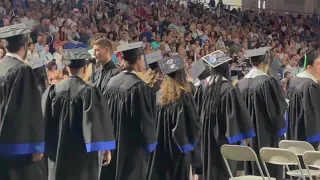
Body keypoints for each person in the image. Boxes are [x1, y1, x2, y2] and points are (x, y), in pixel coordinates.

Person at [42, 48, 116, 180]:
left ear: (67, 68)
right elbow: (97, 124)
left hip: (58, 152)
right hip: (82, 158)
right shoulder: (90, 92)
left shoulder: (52, 91)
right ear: (85, 68)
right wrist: (106, 148)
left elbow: (43, 121)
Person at [194, 52, 255, 180]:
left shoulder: (203, 86)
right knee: (223, 170)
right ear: (225, 69)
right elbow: (236, 117)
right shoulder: (228, 89)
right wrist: (244, 137)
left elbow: (196, 113)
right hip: (223, 140)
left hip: (206, 138)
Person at [103, 42, 157, 180]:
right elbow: (145, 120)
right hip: (131, 148)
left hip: (112, 145)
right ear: (138, 60)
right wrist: (151, 144)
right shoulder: (139, 86)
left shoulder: (111, 82)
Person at [0, 23, 45, 180]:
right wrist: (37, 146)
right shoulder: (22, 70)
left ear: (5, 46)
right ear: (25, 46)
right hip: (16, 148)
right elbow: (29, 109)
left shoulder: (1, 67)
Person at [147, 55, 201, 180]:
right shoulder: (183, 96)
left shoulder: (159, 95)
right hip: (178, 149)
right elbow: (192, 124)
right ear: (181, 73)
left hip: (160, 146)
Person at [236, 48, 287, 179]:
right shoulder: (267, 82)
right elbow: (278, 108)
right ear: (265, 63)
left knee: (252, 169)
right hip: (266, 135)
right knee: (268, 170)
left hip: (248, 137)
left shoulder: (241, 83)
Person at [286, 50, 320, 148]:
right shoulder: (310, 86)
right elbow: (314, 116)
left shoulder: (293, 80)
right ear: (309, 67)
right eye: (319, 64)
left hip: (294, 131)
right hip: (307, 137)